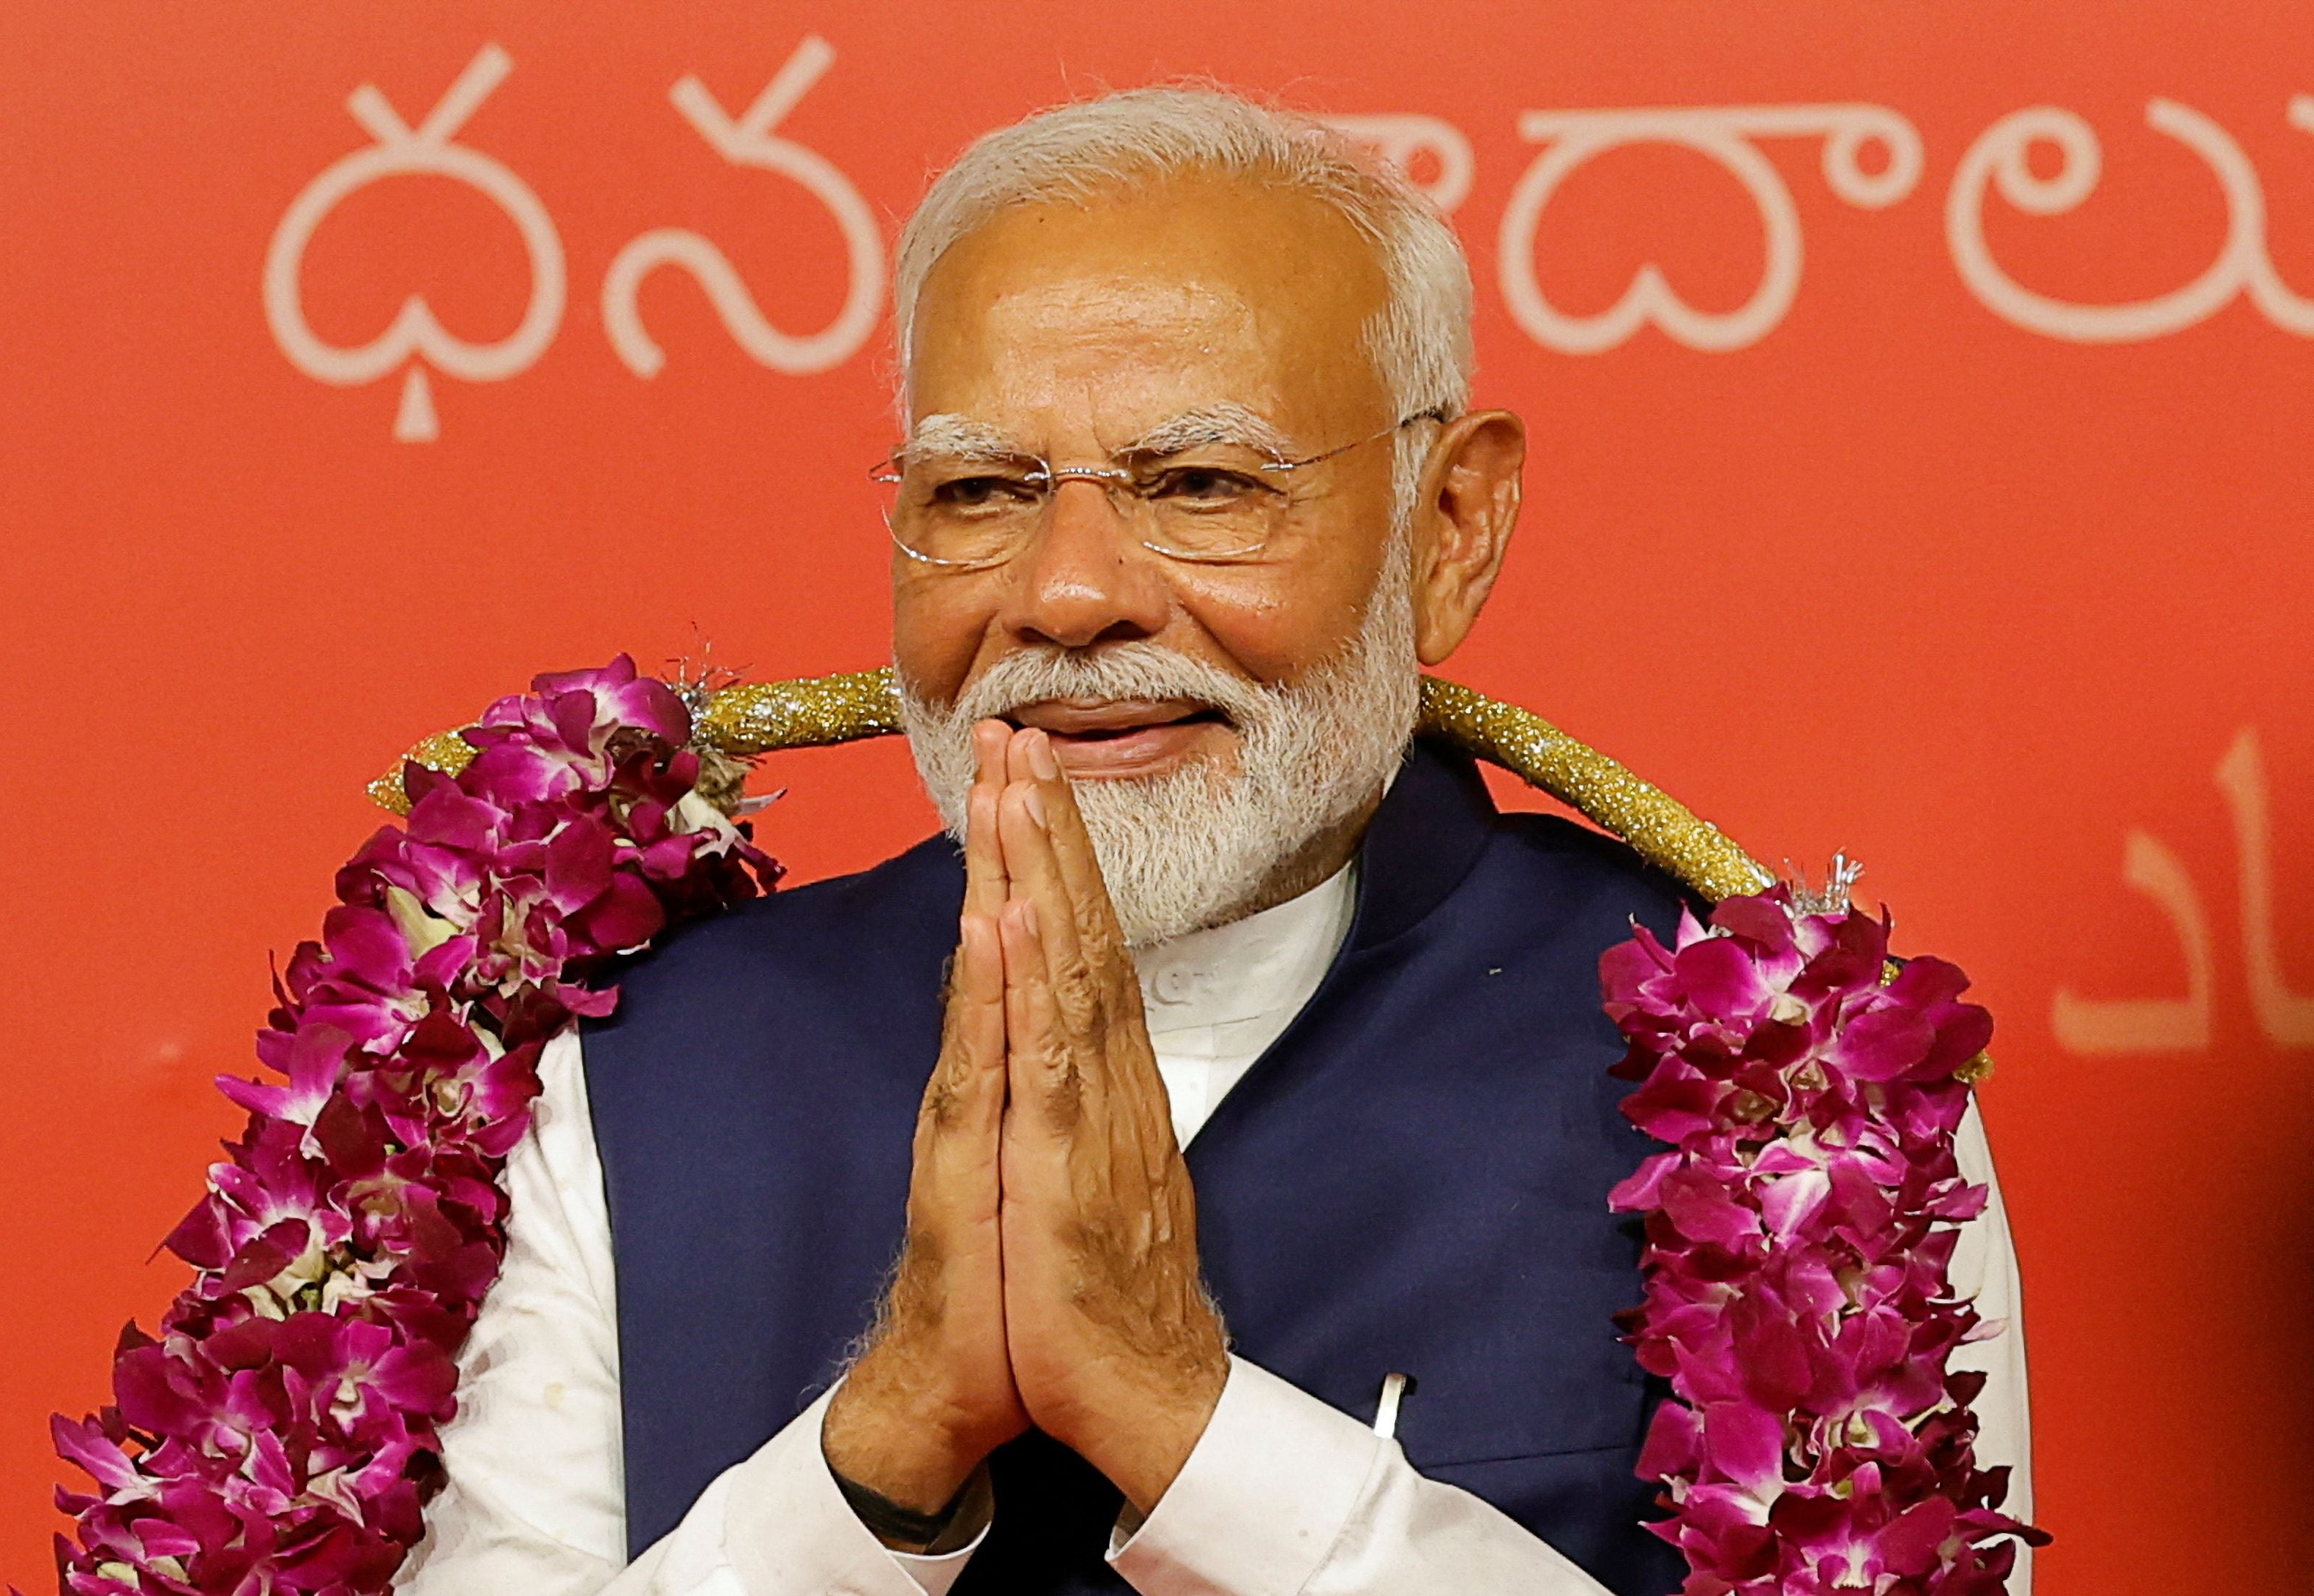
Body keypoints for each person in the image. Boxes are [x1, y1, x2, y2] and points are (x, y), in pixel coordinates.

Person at [396, 86, 2031, 1596]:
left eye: (1197, 482)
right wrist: (879, 1453)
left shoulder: (1782, 1088)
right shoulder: (639, 1061)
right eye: (979, 491)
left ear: (1447, 526)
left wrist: (1193, 1426)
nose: (1068, 593)